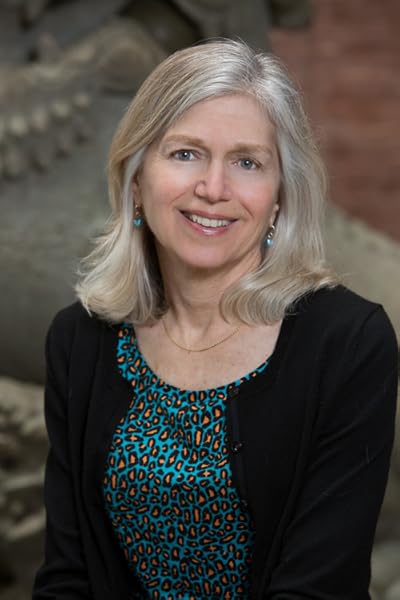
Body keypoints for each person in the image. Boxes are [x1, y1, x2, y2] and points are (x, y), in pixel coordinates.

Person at [32, 39, 398, 600]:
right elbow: (67, 575)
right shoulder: (80, 339)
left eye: (247, 163)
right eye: (185, 154)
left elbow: (320, 587)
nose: (213, 189)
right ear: (137, 178)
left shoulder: (348, 342)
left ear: (280, 196)